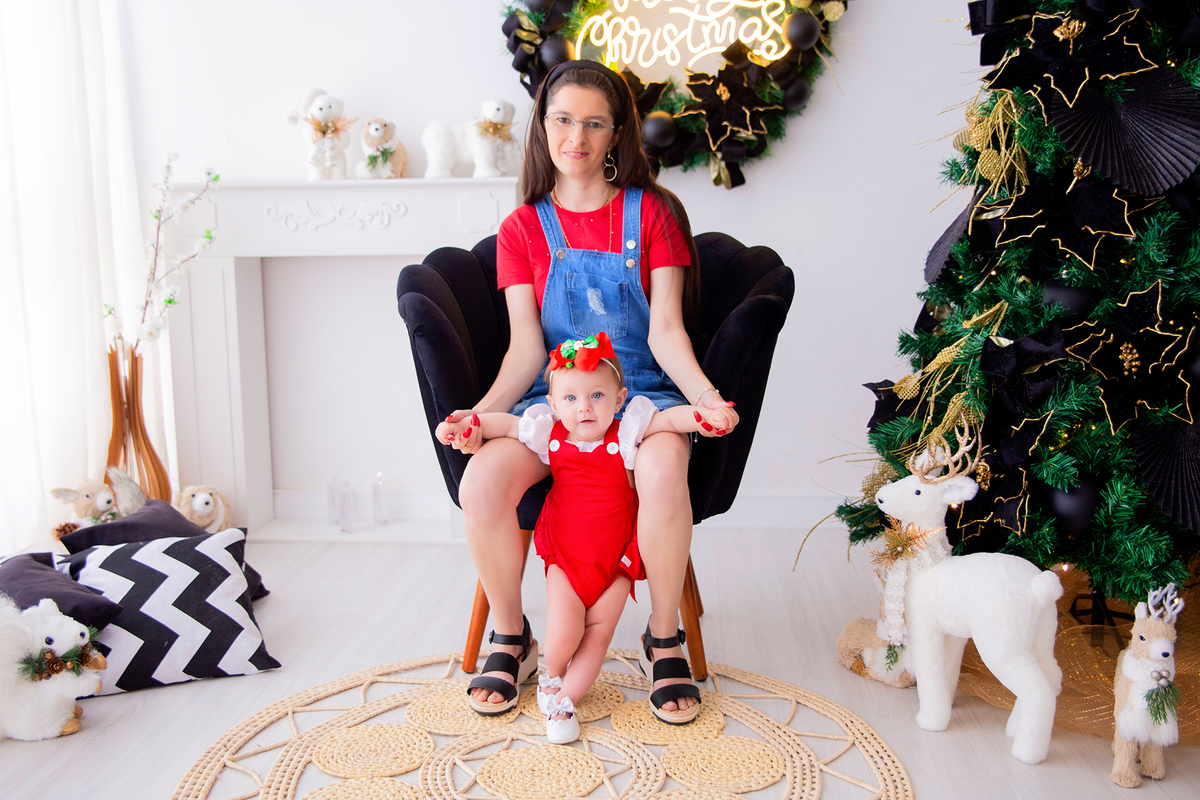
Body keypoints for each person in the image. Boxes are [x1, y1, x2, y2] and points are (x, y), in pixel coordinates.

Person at [443, 59, 738, 726]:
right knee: (481, 485)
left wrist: (706, 397)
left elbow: (665, 330)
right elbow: (526, 348)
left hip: (642, 396)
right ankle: (513, 636)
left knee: (662, 470)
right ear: (543, 127)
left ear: (616, 135)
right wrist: (482, 415)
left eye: (594, 124)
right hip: (556, 403)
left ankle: (664, 637)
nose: (576, 137)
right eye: (564, 120)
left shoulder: (652, 214)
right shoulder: (523, 229)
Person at [438, 334, 732, 742]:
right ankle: (546, 674)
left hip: (617, 564)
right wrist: (472, 421)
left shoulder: (626, 434)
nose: (586, 407)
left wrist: (703, 415)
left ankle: (566, 704)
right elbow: (504, 424)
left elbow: (666, 420)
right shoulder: (548, 434)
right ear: (554, 405)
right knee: (563, 634)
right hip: (567, 558)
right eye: (573, 399)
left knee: (596, 637)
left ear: (619, 399)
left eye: (597, 395)